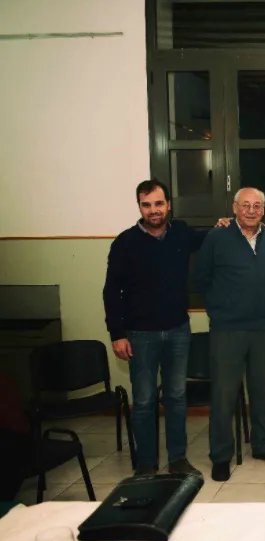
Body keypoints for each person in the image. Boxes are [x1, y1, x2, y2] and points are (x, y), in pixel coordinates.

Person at [103, 179, 204, 476]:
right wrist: (117, 334)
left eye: (159, 203)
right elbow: (111, 292)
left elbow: (210, 238)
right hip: (139, 335)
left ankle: (177, 459)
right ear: (139, 207)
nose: (153, 210)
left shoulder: (181, 234)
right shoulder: (124, 243)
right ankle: (147, 464)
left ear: (168, 205)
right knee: (145, 400)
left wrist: (228, 224)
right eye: (146, 205)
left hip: (178, 330)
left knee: (176, 397)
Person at [194, 187, 265, 482]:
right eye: (245, 205)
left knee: (262, 391)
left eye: (257, 206)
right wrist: (220, 306)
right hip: (227, 329)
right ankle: (221, 456)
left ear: (263, 210)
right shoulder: (217, 237)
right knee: (224, 395)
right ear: (234, 208)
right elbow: (200, 278)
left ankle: (262, 445)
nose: (251, 210)